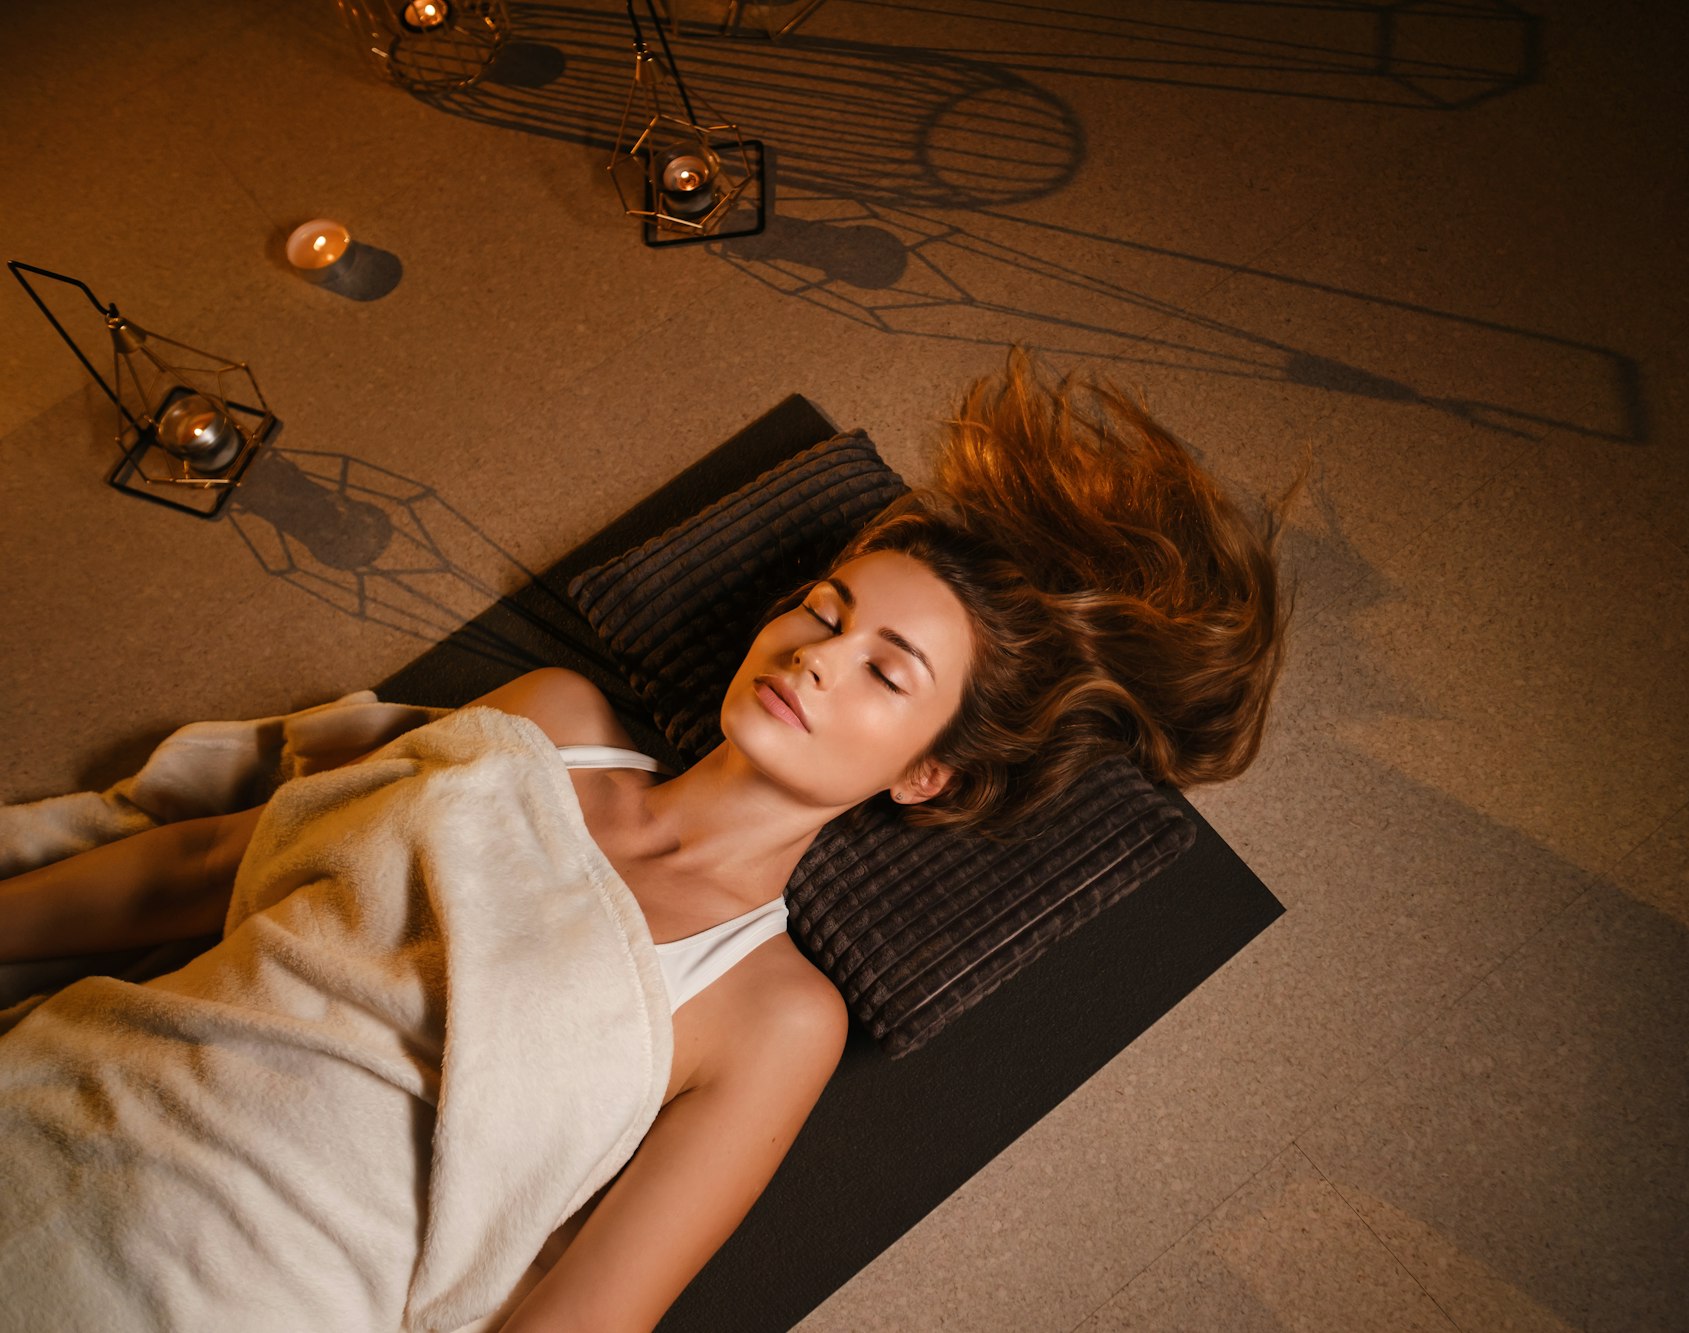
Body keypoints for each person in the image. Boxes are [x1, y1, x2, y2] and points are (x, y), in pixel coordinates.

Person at [0, 349, 1289, 1331]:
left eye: (887, 674)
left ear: (929, 775)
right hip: (67, 1109)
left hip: (246, 1289)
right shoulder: (549, 723)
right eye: (821, 609)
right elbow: (200, 866)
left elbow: (588, 1317)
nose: (817, 656)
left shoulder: (773, 1014)